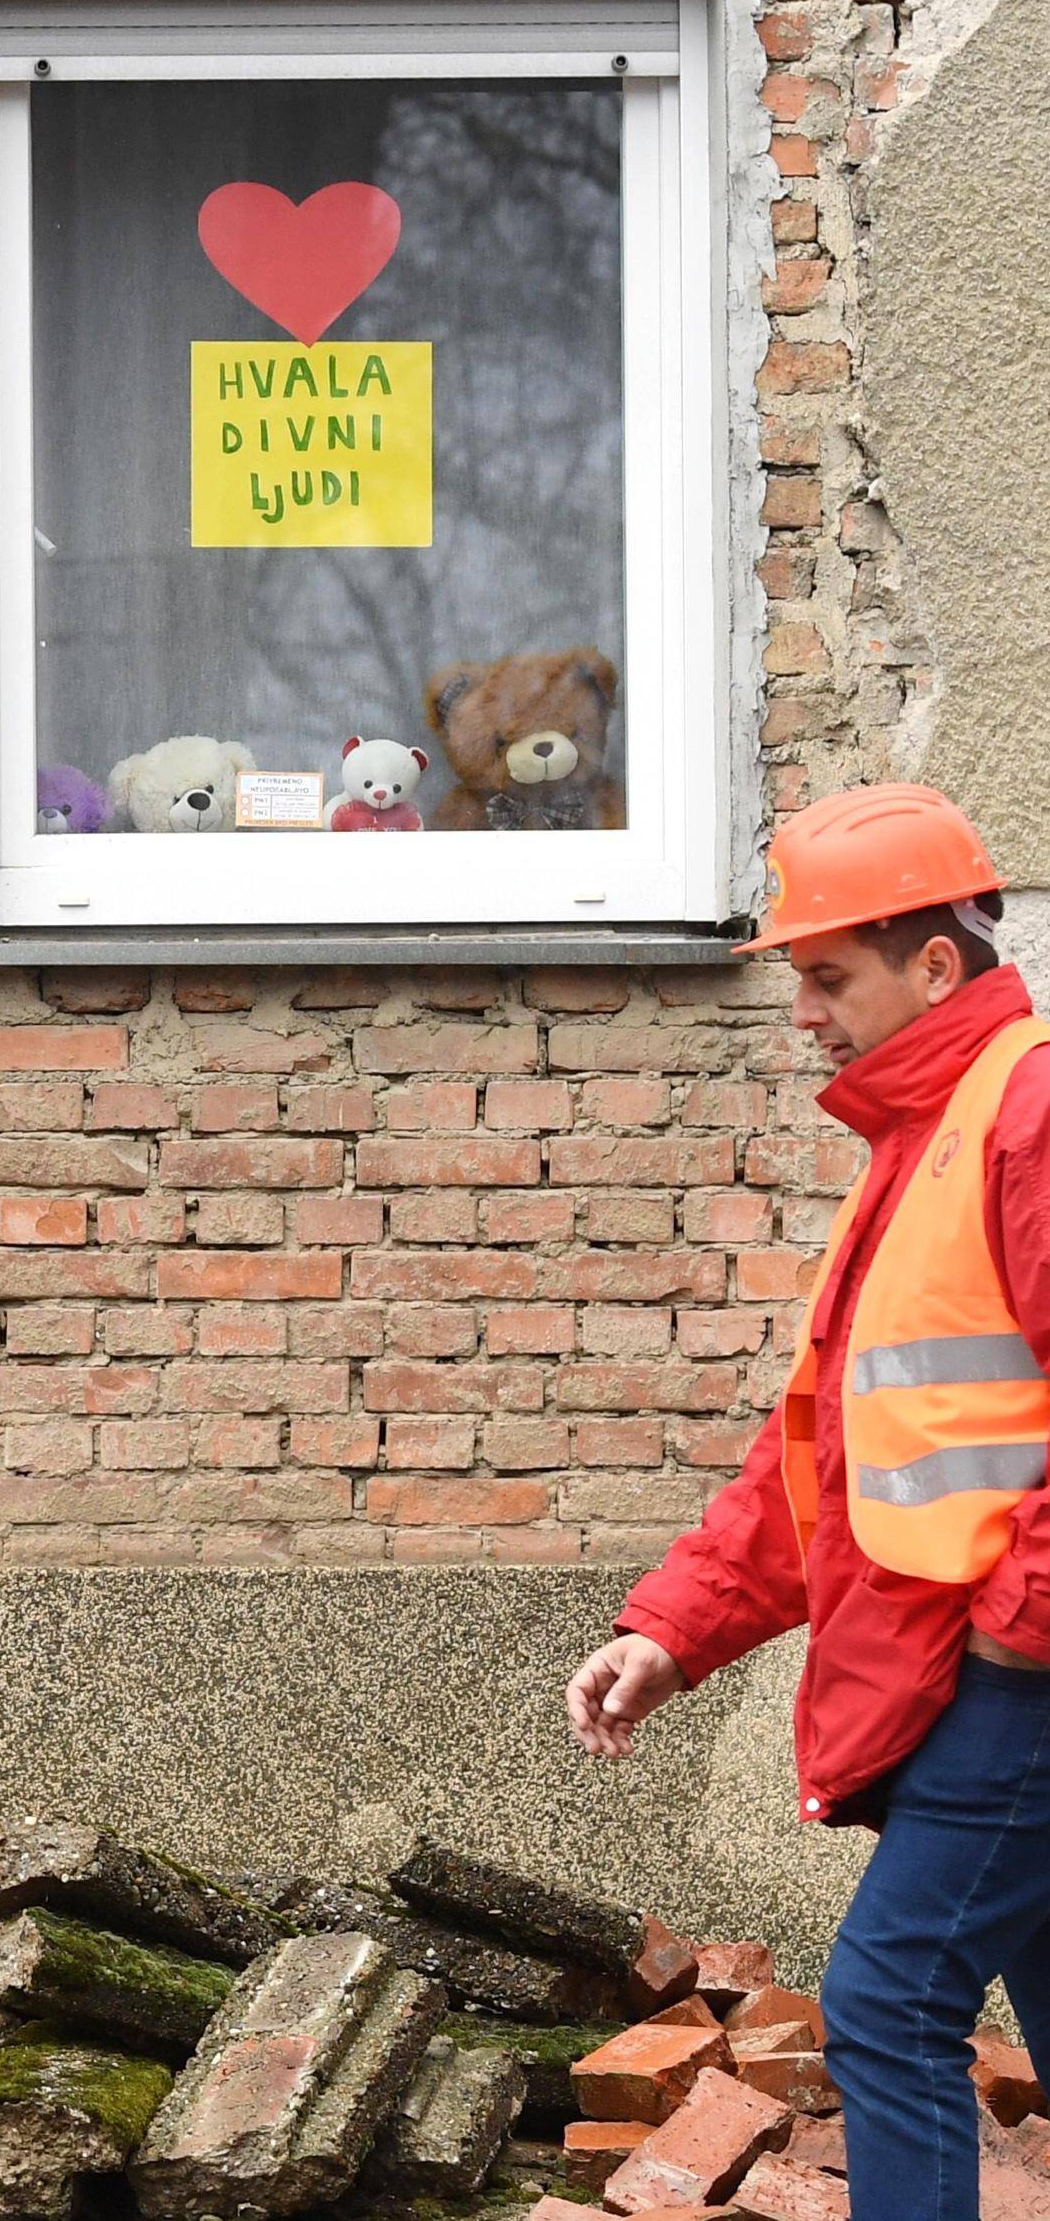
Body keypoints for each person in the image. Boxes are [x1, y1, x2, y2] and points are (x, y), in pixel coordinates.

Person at [564, 781, 1050, 2221]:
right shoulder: (933, 1137)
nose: (804, 1012)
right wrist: (674, 1627)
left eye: (829, 975)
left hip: (1016, 1677)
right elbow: (835, 1463)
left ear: (936, 965)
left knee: (891, 1996)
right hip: (992, 1660)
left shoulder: (1022, 1114)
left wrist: (1022, 1638)